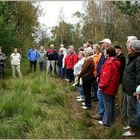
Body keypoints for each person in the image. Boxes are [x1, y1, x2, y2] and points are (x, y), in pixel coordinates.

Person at [98, 47, 121, 127]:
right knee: (111, 104)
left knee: (107, 105)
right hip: (113, 86)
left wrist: (101, 86)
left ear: (108, 54)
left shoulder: (109, 63)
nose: (104, 53)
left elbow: (105, 76)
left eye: (105, 52)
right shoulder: (116, 61)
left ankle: (107, 122)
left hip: (107, 87)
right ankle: (112, 120)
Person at [122, 40, 140, 136]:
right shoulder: (132, 58)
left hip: (133, 90)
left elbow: (139, 76)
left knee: (132, 109)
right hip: (128, 88)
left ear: (134, 50)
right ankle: (131, 125)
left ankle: (133, 131)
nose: (128, 49)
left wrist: (136, 90)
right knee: (129, 108)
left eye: (130, 48)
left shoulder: (138, 59)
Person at [92, 38, 111, 120]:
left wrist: (100, 76)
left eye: (102, 43)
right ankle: (101, 113)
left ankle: (103, 115)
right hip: (100, 77)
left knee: (102, 97)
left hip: (103, 79)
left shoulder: (108, 53)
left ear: (106, 44)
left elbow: (105, 67)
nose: (101, 45)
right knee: (100, 96)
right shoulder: (104, 53)